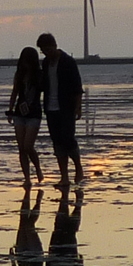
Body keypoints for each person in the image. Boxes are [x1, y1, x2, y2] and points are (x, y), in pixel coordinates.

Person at [36, 32, 84, 189]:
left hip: (66, 107)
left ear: (54, 46)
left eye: (48, 49)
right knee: (57, 142)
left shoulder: (68, 62)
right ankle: (64, 177)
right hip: (50, 108)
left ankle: (78, 167)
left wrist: (78, 107)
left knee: (68, 139)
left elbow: (77, 86)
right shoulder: (45, 63)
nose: (46, 53)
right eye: (43, 51)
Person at [7, 46, 44, 187]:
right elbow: (15, 92)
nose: (25, 64)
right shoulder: (19, 74)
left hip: (34, 113)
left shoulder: (39, 75)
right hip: (20, 113)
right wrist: (10, 110)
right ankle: (27, 178)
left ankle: (38, 168)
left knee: (28, 145)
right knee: (21, 147)